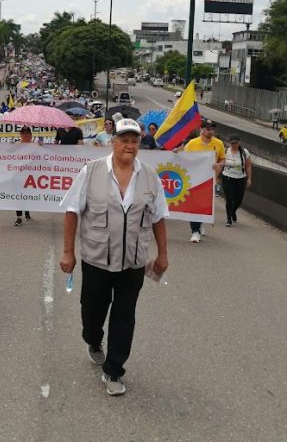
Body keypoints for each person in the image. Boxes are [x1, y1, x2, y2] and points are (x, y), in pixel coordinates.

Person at [60, 118, 169, 396]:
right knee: (92, 312)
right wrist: (68, 252)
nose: (130, 146)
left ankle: (114, 370)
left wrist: (162, 254)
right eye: (124, 140)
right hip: (96, 260)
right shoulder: (91, 171)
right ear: (113, 142)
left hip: (133, 263)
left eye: (135, 141)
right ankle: (93, 339)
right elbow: (72, 210)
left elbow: (158, 217)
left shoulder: (149, 176)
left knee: (124, 317)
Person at [183, 119, 225, 243]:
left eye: (212, 129)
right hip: (194, 179)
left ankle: (200, 222)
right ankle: (195, 231)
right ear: (201, 130)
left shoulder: (219, 144)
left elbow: (223, 158)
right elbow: (183, 159)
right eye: (207, 129)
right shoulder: (192, 144)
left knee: (203, 205)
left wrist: (220, 164)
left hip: (210, 180)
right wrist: (176, 153)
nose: (210, 131)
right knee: (195, 205)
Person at [220, 135, 252, 226]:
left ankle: (233, 211)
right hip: (228, 177)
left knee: (238, 199)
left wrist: (249, 178)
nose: (234, 145)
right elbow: (221, 163)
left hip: (240, 178)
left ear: (239, 142)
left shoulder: (244, 152)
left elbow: (248, 165)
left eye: (236, 143)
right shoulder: (226, 151)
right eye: (232, 143)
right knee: (229, 199)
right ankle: (229, 218)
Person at [14, 126, 35, 226]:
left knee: (27, 195)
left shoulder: (35, 145)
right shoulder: (16, 145)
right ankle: (19, 217)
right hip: (17, 174)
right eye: (23, 133)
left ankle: (27, 211)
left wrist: (42, 146)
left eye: (27, 134)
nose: (25, 135)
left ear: (31, 135)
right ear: (20, 135)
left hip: (30, 176)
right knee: (18, 195)